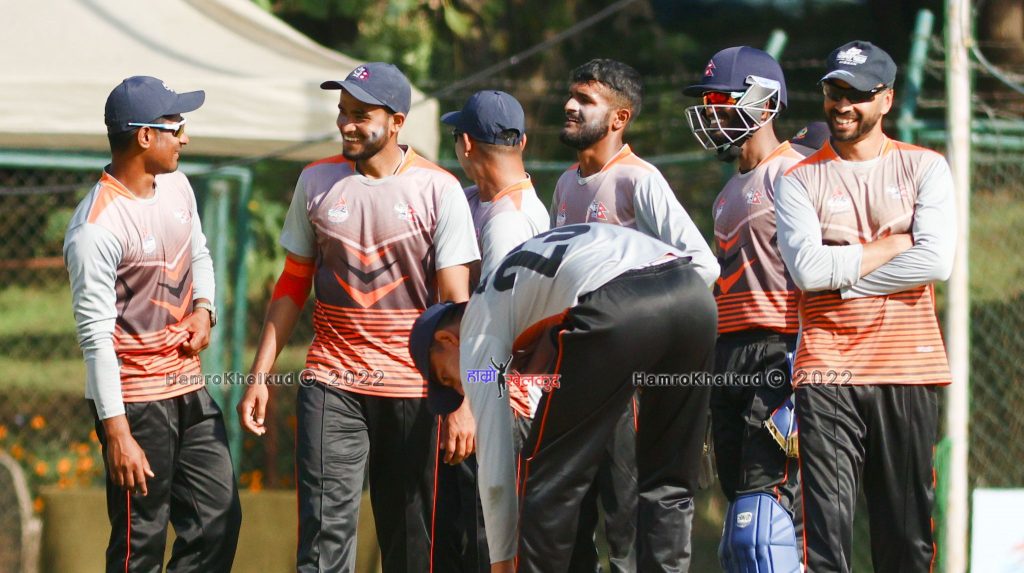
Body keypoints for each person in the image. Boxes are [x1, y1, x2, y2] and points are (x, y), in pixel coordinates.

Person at [237, 62, 481, 572]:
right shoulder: (316, 181)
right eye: (342, 112)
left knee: (411, 547)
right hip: (332, 382)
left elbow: (457, 307)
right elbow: (292, 283)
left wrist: (462, 401)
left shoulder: (439, 190)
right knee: (322, 545)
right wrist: (260, 374)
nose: (346, 124)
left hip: (414, 390)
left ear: (396, 122)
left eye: (360, 115)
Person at [409, 223, 718, 573]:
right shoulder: (520, 294)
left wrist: (502, 562)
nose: (460, 387)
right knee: (668, 482)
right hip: (692, 294)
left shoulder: (477, 328)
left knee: (548, 482)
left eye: (447, 377)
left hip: (618, 301)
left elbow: (496, 472)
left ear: (447, 340)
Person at [775, 41, 956, 572]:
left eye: (856, 93)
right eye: (834, 91)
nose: (842, 104)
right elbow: (808, 273)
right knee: (825, 541)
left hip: (908, 368)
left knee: (906, 541)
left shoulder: (925, 167)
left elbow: (936, 261)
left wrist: (846, 282)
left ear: (887, 99)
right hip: (827, 372)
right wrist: (894, 246)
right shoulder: (798, 179)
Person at [64, 75, 240, 573]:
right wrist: (117, 433)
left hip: (188, 387)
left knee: (218, 521)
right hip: (136, 403)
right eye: (175, 127)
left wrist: (204, 308)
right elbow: (96, 340)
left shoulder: (178, 186)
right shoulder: (95, 228)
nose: (185, 137)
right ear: (145, 136)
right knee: (139, 544)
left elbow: (198, 252)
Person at [550, 58, 720, 573]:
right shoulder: (565, 184)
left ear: (619, 118)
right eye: (571, 95)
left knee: (626, 526)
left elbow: (703, 265)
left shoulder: (638, 180)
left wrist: (638, 328)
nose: (570, 106)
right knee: (568, 522)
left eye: (586, 100)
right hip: (572, 379)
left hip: (629, 382)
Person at [682, 46, 805, 572]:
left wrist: (804, 362)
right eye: (709, 104)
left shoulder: (795, 174)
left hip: (778, 350)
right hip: (727, 355)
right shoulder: (726, 194)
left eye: (722, 102)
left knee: (766, 525)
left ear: (764, 103)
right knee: (740, 526)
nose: (712, 114)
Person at [438, 89, 550, 569]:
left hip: (500, 408)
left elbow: (496, 329)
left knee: (484, 548)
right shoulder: (485, 203)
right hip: (494, 400)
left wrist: (467, 406)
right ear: (521, 141)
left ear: (465, 144)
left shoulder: (509, 223)